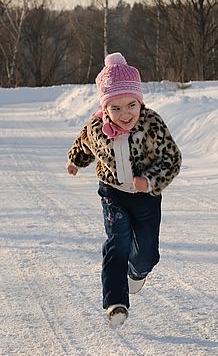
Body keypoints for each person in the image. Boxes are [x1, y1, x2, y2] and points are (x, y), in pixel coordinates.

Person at [66, 52, 182, 326]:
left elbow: (172, 159)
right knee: (117, 242)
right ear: (104, 108)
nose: (125, 114)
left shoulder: (152, 124)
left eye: (131, 105)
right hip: (112, 193)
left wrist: (151, 180)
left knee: (147, 255)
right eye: (115, 108)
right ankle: (115, 303)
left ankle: (136, 273)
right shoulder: (97, 128)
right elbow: (84, 144)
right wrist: (75, 160)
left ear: (140, 101)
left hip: (146, 199)